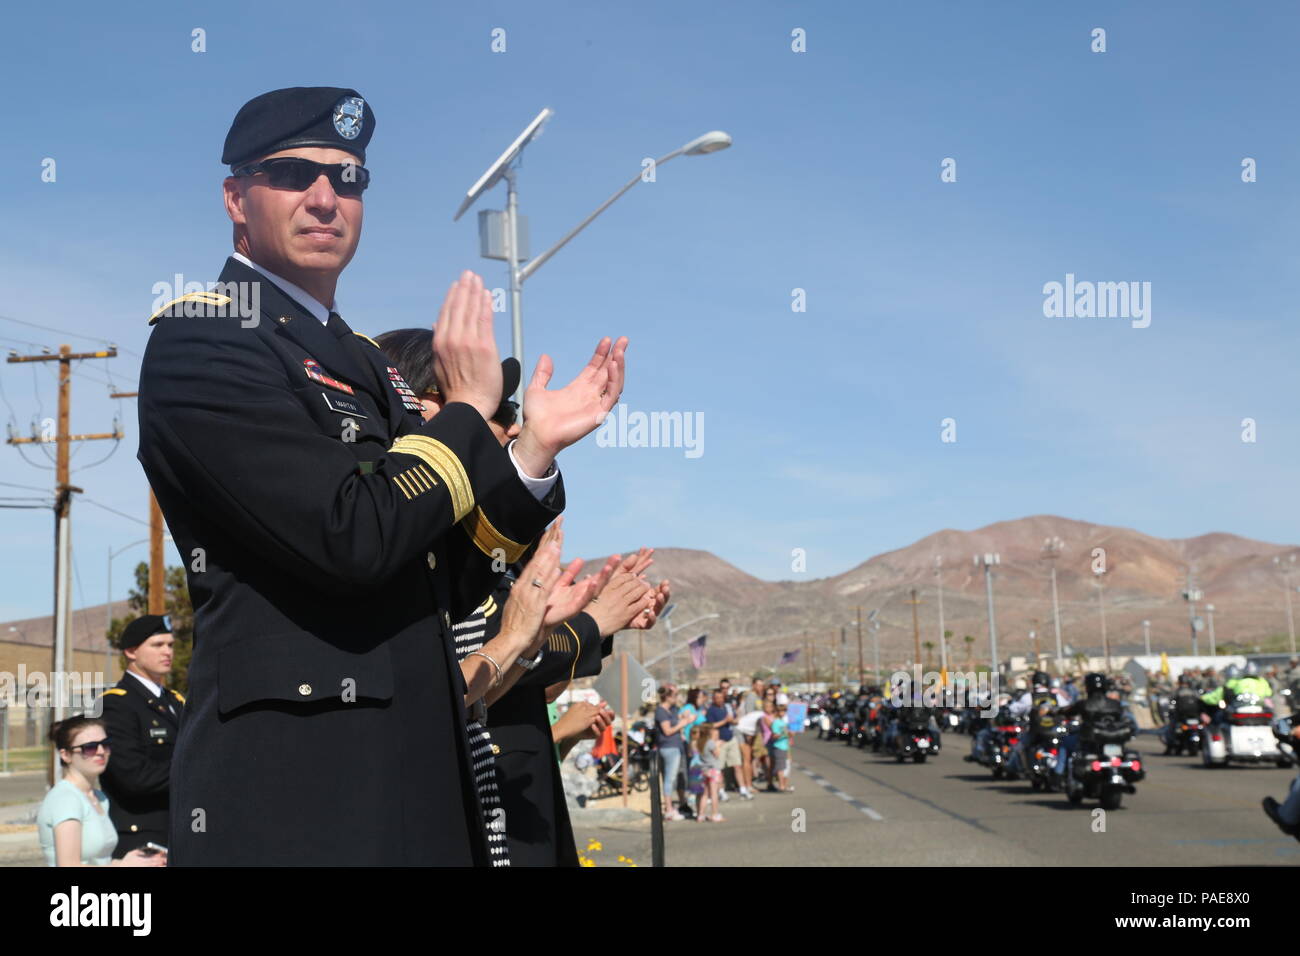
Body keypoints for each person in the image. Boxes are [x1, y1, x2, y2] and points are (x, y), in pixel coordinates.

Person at [138, 86, 626, 865]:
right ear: (236, 197)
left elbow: (452, 572)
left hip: (419, 774)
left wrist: (531, 450)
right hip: (301, 793)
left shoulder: (366, 362)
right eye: (294, 173)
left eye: (349, 178)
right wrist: (467, 412)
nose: (327, 197)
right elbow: (352, 536)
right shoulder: (205, 339)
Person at [375, 325, 665, 864]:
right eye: (485, 403)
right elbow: (449, 683)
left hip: (511, 794)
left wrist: (559, 628)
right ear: (410, 404)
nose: (507, 423)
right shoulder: (385, 540)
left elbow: (533, 685)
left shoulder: (482, 539)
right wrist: (589, 624)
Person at [97, 614, 184, 858]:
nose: (167, 652)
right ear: (131, 652)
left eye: (170, 645)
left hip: (181, 831)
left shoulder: (175, 702)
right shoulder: (114, 705)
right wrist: (193, 769)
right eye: (157, 645)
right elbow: (134, 777)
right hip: (143, 841)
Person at [37, 717, 165, 867]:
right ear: (66, 755)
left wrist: (134, 861)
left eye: (106, 744)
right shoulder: (66, 799)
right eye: (90, 747)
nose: (101, 752)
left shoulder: (99, 798)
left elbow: (99, 861)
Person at [655, 687, 694, 820]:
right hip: (669, 748)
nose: (676, 697)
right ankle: (669, 809)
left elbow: (677, 719)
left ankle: (673, 807)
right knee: (669, 779)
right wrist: (682, 723)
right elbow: (667, 731)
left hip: (676, 747)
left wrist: (684, 717)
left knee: (674, 778)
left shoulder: (671, 710)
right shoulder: (661, 711)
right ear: (667, 696)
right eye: (675, 694)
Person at [694, 723, 725, 822]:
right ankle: (715, 814)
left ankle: (701, 815)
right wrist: (718, 745)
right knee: (714, 793)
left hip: (704, 770)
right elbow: (717, 754)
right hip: (713, 769)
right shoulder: (710, 742)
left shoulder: (700, 742)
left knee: (705, 793)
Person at [769, 704, 793, 792]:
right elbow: (774, 736)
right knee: (780, 767)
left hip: (784, 746)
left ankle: (784, 785)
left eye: (783, 711)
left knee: (784, 766)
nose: (782, 713)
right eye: (780, 711)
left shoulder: (783, 722)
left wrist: (790, 734)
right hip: (778, 746)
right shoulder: (776, 722)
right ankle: (781, 785)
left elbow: (787, 734)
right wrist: (784, 733)